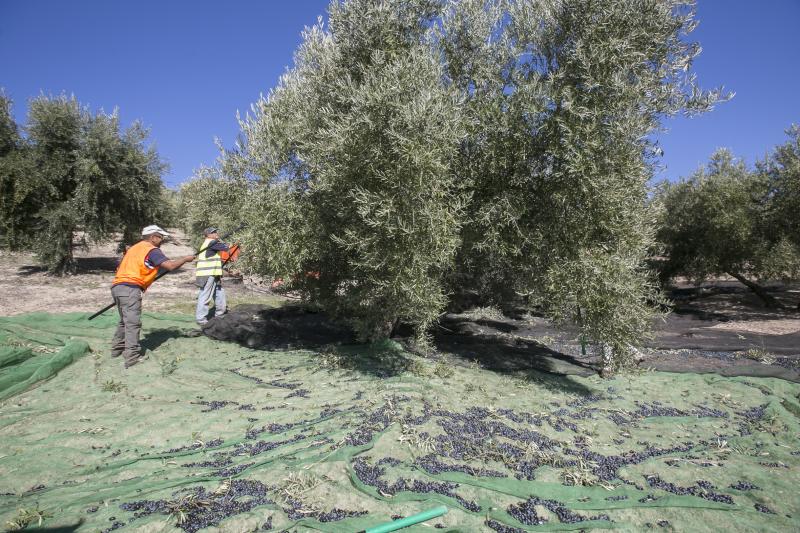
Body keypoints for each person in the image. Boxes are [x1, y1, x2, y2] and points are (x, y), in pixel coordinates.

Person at [111, 225, 195, 368]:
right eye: (161, 237)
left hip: (117, 287)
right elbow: (170, 266)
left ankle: (116, 349)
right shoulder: (151, 250)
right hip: (131, 288)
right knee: (132, 323)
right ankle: (131, 357)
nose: (162, 240)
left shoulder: (134, 248)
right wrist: (186, 259)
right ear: (153, 237)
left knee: (124, 321)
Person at [195, 227, 231, 325]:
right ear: (208, 235)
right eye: (213, 232)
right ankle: (201, 319)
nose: (216, 233)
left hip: (213, 273)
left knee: (219, 293)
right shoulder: (211, 243)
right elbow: (226, 248)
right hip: (207, 274)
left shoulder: (211, 243)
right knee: (205, 296)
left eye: (216, 231)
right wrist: (220, 240)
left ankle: (220, 315)